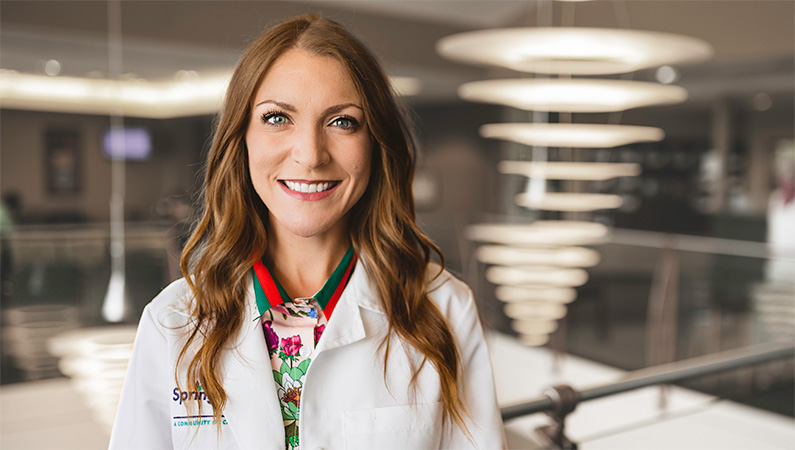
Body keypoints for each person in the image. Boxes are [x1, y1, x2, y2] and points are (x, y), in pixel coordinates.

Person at [109, 14, 505, 450]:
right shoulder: (174, 321)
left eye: (342, 122)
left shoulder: (444, 309)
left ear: (375, 143)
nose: (311, 155)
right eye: (278, 118)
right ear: (240, 139)